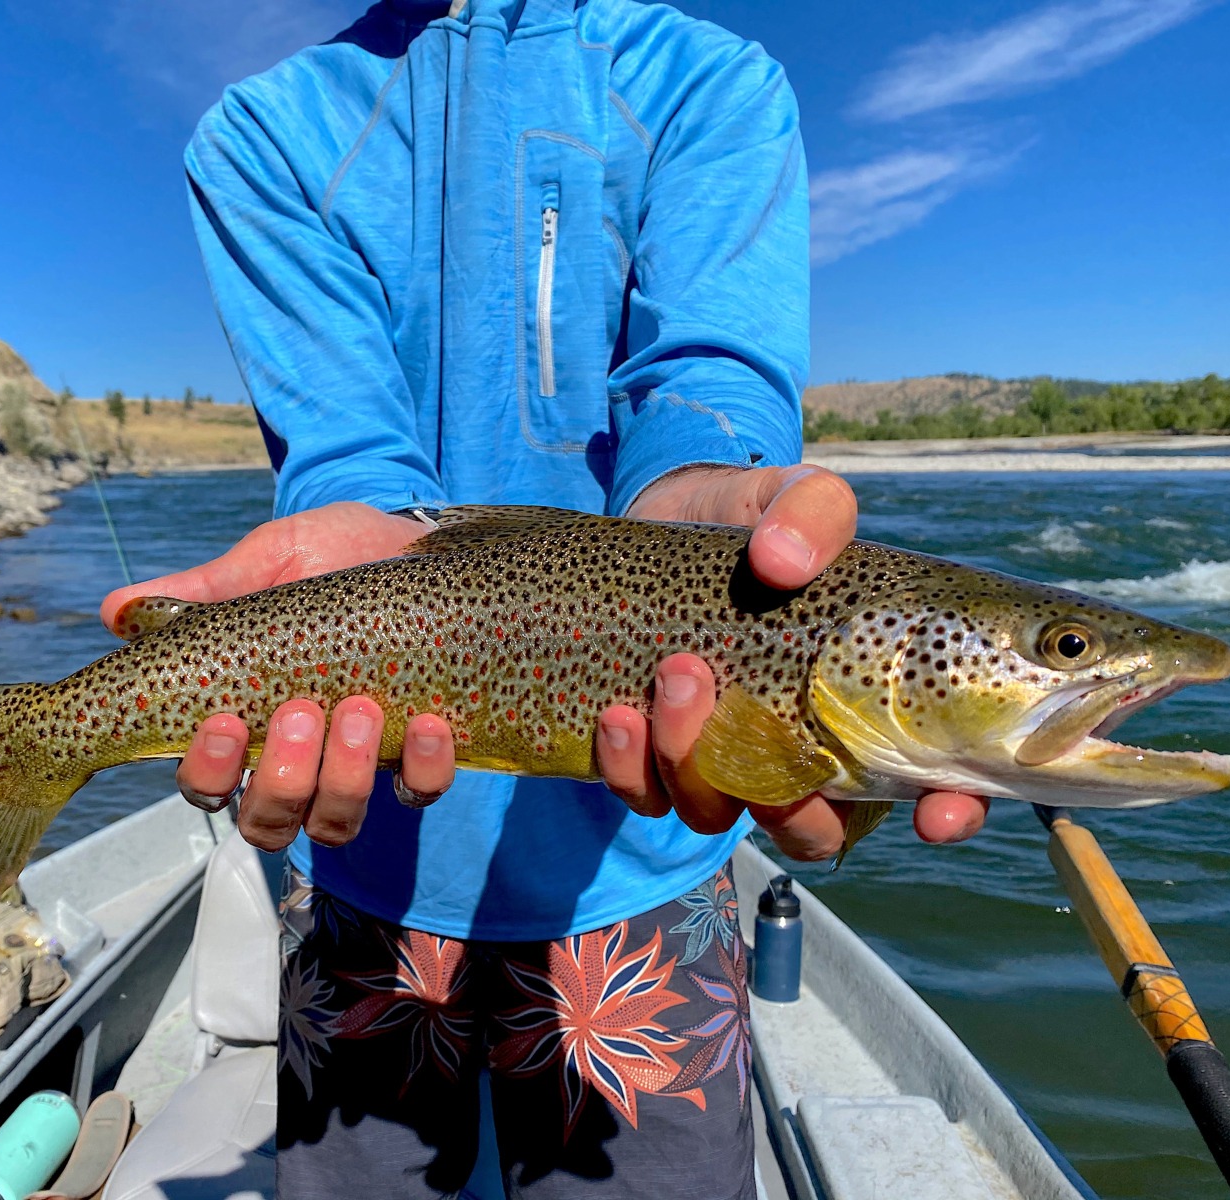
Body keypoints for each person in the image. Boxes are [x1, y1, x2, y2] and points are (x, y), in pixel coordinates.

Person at [102, 2, 988, 1195]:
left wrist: (714, 491)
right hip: (366, 864)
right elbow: (350, 461)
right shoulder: (258, 137)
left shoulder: (710, 84)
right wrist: (372, 531)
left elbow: (703, 391)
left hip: (647, 869)